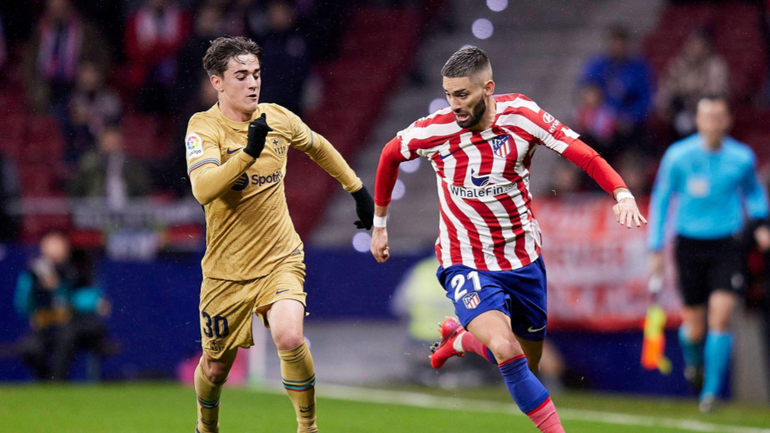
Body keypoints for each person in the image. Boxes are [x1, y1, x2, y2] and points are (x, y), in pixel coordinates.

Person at [371, 46, 646, 433]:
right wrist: (379, 223)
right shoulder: (435, 130)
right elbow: (389, 155)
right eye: (449, 95)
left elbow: (582, 155)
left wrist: (620, 193)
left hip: (523, 260)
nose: (455, 106)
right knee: (505, 349)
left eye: (463, 95)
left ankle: (461, 340)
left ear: (488, 88)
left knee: (525, 366)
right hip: (464, 259)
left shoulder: (522, 116)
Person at [186, 36, 374, 433]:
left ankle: (307, 427)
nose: (252, 83)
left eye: (256, 73)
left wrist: (356, 189)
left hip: (280, 258)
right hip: (226, 271)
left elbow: (318, 146)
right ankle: (206, 425)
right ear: (217, 82)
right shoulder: (203, 128)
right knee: (217, 367)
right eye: (241, 75)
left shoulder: (277, 118)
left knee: (289, 336)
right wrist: (246, 156)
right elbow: (203, 189)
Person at [648, 96, 770, 412]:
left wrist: (760, 223)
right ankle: (694, 363)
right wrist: (656, 246)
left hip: (728, 244)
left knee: (722, 315)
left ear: (727, 121)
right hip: (689, 245)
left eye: (718, 117)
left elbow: (754, 194)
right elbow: (662, 198)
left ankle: (711, 394)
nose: (713, 123)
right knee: (695, 328)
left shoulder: (741, 158)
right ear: (698, 121)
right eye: (707, 117)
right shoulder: (678, 156)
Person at [13, 232, 73, 380]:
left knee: (66, 340)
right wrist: (36, 285)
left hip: (69, 326)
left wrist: (58, 287)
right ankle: (44, 381)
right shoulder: (32, 275)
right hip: (42, 327)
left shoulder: (73, 272)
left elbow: (82, 298)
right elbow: (23, 304)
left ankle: (58, 383)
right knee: (31, 348)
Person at [656, 29, 729, 139]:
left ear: (707, 47)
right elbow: (668, 86)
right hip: (682, 108)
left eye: (698, 45)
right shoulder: (680, 63)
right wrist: (664, 104)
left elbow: (715, 92)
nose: (694, 48)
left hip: (706, 109)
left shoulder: (716, 65)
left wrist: (693, 96)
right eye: (692, 44)